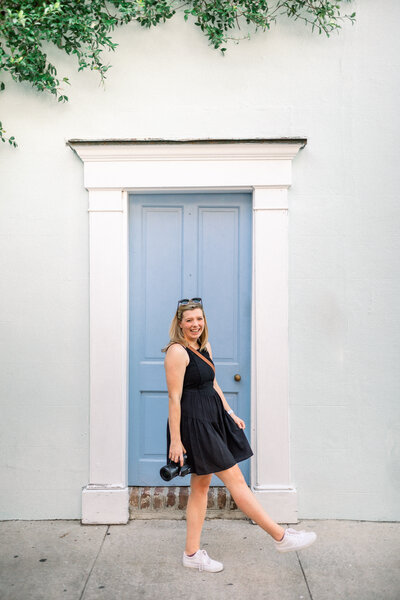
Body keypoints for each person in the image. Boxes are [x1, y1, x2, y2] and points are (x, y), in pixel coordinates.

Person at [163, 298, 316, 573]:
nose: (195, 324)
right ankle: (280, 536)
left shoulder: (203, 347)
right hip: (195, 424)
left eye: (199, 319)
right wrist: (176, 439)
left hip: (213, 418)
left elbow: (214, 384)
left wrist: (230, 413)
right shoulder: (177, 352)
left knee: (200, 488)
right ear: (180, 323)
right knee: (236, 480)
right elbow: (174, 398)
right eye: (189, 320)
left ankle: (192, 553)